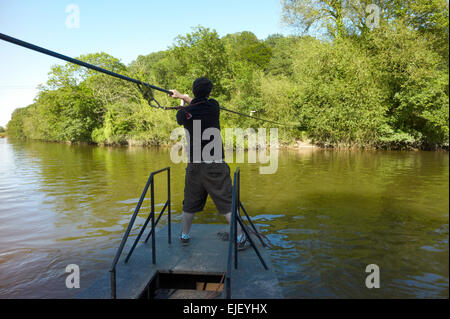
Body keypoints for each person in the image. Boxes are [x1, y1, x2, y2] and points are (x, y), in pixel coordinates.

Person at [169, 77, 248, 250]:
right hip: (215, 164)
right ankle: (241, 237)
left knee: (189, 202)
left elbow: (184, 114)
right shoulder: (214, 106)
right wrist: (184, 97)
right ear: (209, 92)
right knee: (227, 203)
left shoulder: (185, 113)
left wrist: (182, 98)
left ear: (194, 90)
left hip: (194, 165)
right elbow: (198, 104)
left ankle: (184, 235)